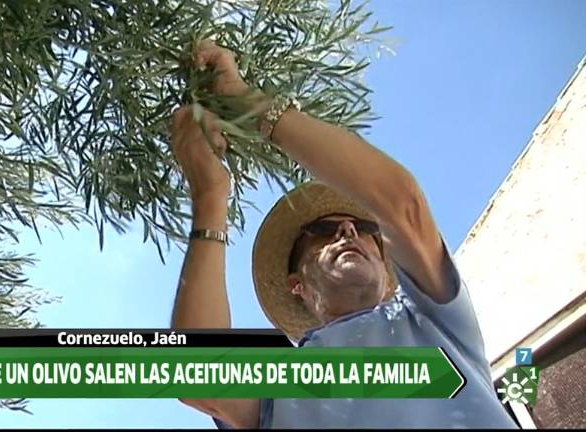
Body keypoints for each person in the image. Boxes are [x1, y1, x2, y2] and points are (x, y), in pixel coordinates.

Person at [168, 40, 519, 429]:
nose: (349, 229)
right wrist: (210, 195)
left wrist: (250, 103)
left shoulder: (434, 322)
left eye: (366, 229)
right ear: (296, 284)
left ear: (389, 276)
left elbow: (404, 206)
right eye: (321, 231)